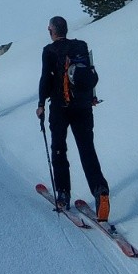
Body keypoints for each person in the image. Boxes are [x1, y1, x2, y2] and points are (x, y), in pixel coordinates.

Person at [36, 16, 110, 220]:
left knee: (59, 149)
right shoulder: (81, 46)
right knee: (87, 150)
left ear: (52, 31)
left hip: (60, 107)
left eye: (49, 29)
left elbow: (45, 78)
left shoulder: (49, 51)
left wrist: (41, 104)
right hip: (84, 107)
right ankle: (100, 190)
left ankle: (63, 194)